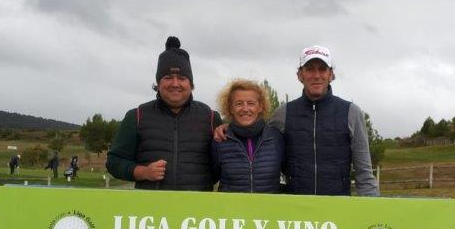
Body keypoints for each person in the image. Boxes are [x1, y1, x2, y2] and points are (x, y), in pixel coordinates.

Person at [216, 45, 379, 196]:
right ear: (300, 75)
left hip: (338, 206)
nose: (316, 76)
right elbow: (256, 138)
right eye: (309, 69)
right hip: (295, 211)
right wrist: (229, 128)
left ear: (331, 74)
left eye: (322, 69)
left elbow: (364, 172)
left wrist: (373, 209)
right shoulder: (283, 113)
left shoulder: (351, 112)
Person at [106, 36, 222, 190]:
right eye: (168, 77)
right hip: (150, 210)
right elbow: (114, 162)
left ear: (191, 84)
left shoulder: (211, 117)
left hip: (198, 209)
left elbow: (223, 164)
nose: (175, 84)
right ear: (158, 84)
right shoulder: (137, 116)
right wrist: (143, 172)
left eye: (181, 78)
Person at [212, 79, 284, 193]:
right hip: (230, 209)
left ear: (260, 107)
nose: (245, 109)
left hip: (269, 209)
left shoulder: (276, 137)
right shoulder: (220, 139)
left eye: (251, 103)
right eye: (239, 103)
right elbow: (210, 177)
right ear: (230, 108)